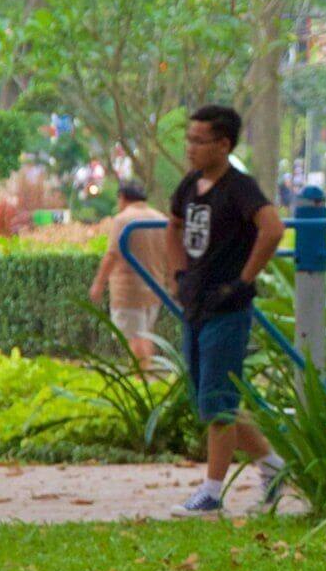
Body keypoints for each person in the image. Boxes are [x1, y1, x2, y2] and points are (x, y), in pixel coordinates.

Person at [166, 106, 281, 515]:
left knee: (218, 401)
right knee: (212, 400)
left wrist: (244, 280)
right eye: (189, 139)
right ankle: (274, 466)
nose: (191, 148)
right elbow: (174, 224)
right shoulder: (189, 185)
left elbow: (272, 227)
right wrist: (177, 272)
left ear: (224, 145)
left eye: (200, 141)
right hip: (196, 303)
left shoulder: (240, 188)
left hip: (227, 307)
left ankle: (211, 494)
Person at [91, 181, 173, 377]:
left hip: (128, 290)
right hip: (155, 287)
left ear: (123, 198)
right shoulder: (160, 218)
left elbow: (112, 255)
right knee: (146, 335)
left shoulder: (123, 220)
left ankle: (142, 379)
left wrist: (98, 284)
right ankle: (146, 374)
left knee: (134, 337)